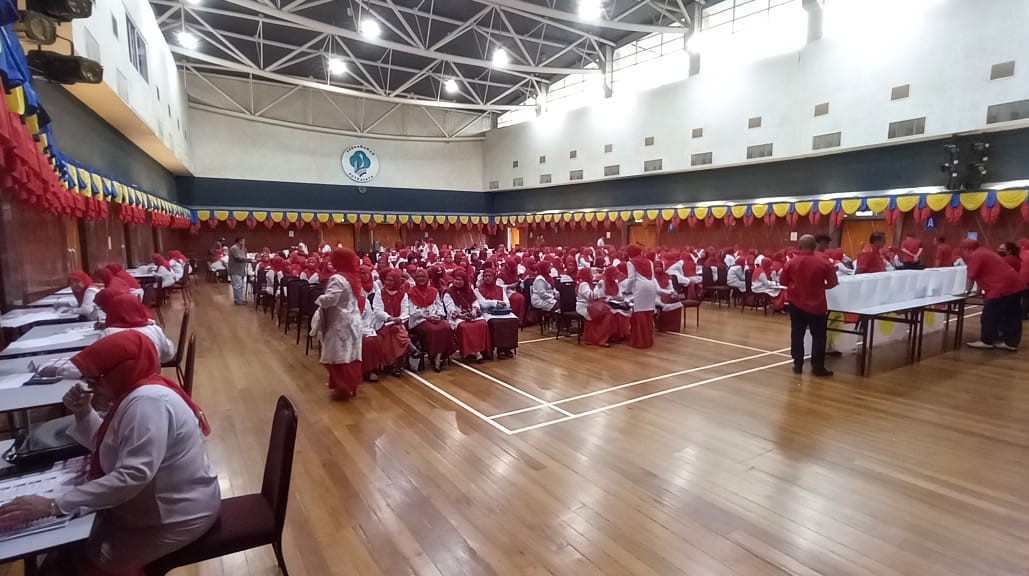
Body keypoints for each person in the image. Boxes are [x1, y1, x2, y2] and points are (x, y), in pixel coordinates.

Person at [0, 330, 219, 575]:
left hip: (177, 516)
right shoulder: (138, 391)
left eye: (97, 379)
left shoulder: (148, 403)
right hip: (162, 504)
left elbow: (132, 476)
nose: (91, 386)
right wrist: (83, 412)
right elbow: (113, 446)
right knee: (73, 546)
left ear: (120, 374)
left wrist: (54, 504)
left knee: (92, 560)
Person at [780, 234, 839, 377]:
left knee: (797, 334)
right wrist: (820, 287)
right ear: (814, 246)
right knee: (819, 336)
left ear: (799, 246)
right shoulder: (824, 263)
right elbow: (832, 283)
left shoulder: (790, 263)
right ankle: (818, 367)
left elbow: (783, 282)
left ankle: (798, 364)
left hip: (796, 304)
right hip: (817, 305)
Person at [315, 248, 365, 400]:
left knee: (336, 355)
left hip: (340, 323)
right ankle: (351, 385)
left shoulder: (337, 278)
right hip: (354, 320)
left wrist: (319, 299)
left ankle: (342, 388)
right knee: (351, 355)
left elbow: (332, 299)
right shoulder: (353, 277)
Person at [961, 239, 1022, 351]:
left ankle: (987, 341)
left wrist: (966, 292)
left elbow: (971, 276)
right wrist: (978, 291)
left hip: (1000, 287)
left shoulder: (975, 256)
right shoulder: (985, 251)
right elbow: (981, 274)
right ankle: (1010, 342)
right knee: (1011, 315)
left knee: (990, 315)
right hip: (1015, 284)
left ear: (966, 249)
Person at [97, 292, 176, 363]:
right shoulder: (154, 329)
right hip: (151, 373)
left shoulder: (107, 334)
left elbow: (99, 361)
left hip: (119, 374)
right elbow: (168, 355)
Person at [407, 268, 454, 372]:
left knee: (446, 327)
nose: (421, 279)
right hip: (419, 320)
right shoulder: (411, 292)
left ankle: (438, 356)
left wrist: (439, 315)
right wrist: (426, 316)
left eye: (423, 277)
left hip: (434, 317)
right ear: (415, 279)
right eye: (419, 277)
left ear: (427, 278)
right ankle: (434, 356)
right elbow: (412, 311)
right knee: (433, 330)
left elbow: (439, 305)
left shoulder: (433, 291)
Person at [373, 270, 415, 375]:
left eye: (391, 280)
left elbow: (405, 312)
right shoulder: (379, 293)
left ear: (396, 281)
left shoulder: (403, 295)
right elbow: (377, 310)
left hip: (398, 323)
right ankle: (408, 347)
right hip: (383, 323)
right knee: (395, 333)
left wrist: (399, 319)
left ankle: (396, 364)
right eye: (386, 280)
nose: (388, 282)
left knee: (396, 330)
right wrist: (390, 318)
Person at [443, 270, 490, 362]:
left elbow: (475, 301)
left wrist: (474, 311)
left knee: (483, 324)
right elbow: (450, 307)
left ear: (464, 281)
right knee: (465, 327)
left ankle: (480, 350)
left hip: (471, 314)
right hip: (457, 317)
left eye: (460, 280)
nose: (457, 282)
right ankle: (472, 352)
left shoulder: (469, 290)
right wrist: (461, 316)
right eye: (456, 279)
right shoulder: (449, 292)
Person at [475, 268, 520, 358]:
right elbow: (482, 303)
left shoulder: (500, 289)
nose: (487, 278)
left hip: (502, 311)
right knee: (496, 322)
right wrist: (495, 303)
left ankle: (507, 348)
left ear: (494, 277)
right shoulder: (478, 290)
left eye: (490, 276)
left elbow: (507, 302)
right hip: (488, 312)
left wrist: (501, 304)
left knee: (513, 320)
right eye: (485, 276)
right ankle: (499, 348)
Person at [623, 245, 657, 349]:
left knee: (639, 313)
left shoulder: (630, 263)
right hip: (652, 286)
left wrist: (627, 291)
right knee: (648, 313)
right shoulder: (649, 262)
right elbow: (653, 276)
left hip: (640, 288)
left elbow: (631, 278)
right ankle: (648, 340)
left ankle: (639, 341)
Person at [654, 261, 684, 332]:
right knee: (666, 305)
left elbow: (671, 287)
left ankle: (673, 327)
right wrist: (669, 292)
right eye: (656, 267)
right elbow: (658, 290)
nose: (658, 268)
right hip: (656, 297)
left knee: (678, 304)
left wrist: (672, 292)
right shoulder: (653, 277)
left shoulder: (667, 276)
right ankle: (664, 326)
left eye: (659, 267)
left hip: (667, 295)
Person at [227, 237, 248, 305]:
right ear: (239, 241)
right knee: (237, 286)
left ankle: (240, 299)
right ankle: (237, 300)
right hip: (235, 270)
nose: (244, 243)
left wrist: (244, 250)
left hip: (241, 270)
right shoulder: (234, 248)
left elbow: (244, 256)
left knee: (241, 286)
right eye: (243, 241)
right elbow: (239, 258)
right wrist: (249, 260)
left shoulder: (242, 249)